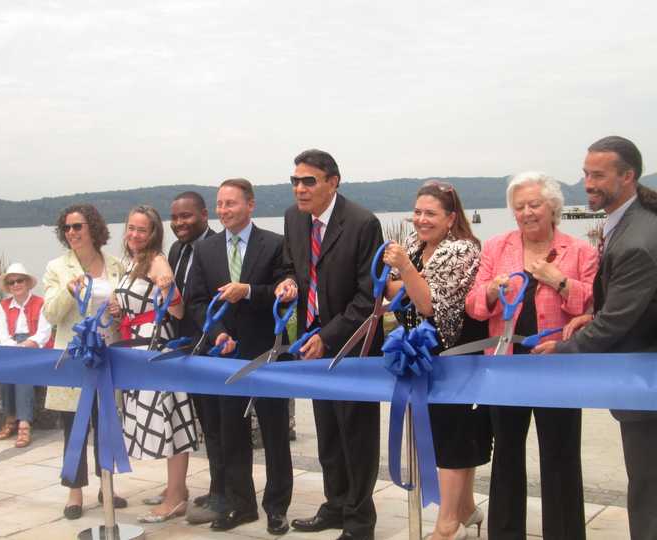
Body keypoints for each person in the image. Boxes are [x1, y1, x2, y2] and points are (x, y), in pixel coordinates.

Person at [534, 136, 657, 540]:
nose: (588, 182)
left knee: (649, 492)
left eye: (598, 175)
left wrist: (563, 350)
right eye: (586, 173)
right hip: (641, 376)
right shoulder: (629, 220)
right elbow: (627, 303)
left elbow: (618, 323)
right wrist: (593, 313)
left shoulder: (639, 238)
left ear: (628, 176)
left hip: (646, 383)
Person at [465, 171, 597, 540]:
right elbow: (475, 306)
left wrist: (560, 281)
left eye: (534, 204)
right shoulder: (495, 247)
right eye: (519, 206)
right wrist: (492, 290)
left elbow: (594, 305)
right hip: (506, 367)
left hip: (558, 367)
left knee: (561, 456)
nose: (526, 212)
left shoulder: (581, 250)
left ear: (553, 207)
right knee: (506, 455)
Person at [275, 149, 384, 540]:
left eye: (309, 181)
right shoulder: (293, 218)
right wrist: (287, 283)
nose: (300, 189)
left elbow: (368, 296)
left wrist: (329, 336)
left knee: (357, 437)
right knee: (328, 435)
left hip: (351, 346)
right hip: (310, 344)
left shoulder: (362, 223)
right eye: (295, 181)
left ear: (332, 182)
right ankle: (335, 505)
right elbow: (293, 266)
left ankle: (359, 522)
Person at [383, 181, 490, 540]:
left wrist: (409, 276)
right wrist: (413, 282)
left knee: (452, 436)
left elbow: (430, 305)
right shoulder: (414, 246)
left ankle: (448, 526)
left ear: (451, 218)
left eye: (430, 213)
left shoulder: (462, 251)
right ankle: (465, 509)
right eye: (417, 212)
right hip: (421, 354)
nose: (421, 220)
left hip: (456, 355)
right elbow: (392, 292)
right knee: (440, 431)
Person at [187, 178, 293, 535]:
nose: (223, 211)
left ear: (250, 205)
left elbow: (286, 294)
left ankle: (277, 508)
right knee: (231, 433)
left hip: (266, 354)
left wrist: (247, 291)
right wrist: (216, 333)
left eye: (231, 204)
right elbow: (196, 301)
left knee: (276, 434)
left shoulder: (276, 245)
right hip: (225, 355)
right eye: (219, 204)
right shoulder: (206, 250)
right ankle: (241, 505)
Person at [42, 204, 126, 520]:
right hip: (75, 358)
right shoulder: (56, 267)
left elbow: (126, 306)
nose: (72, 233)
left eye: (78, 226)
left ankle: (108, 485)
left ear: (93, 227)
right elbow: (50, 313)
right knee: (73, 426)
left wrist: (121, 311)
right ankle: (74, 490)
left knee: (107, 424)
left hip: (109, 356)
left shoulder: (116, 264)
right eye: (67, 228)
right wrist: (67, 290)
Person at [116, 205, 198, 523]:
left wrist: (167, 286)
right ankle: (174, 489)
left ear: (153, 234)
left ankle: (176, 497)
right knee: (160, 417)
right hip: (136, 349)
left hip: (156, 348)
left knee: (169, 418)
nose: (134, 234)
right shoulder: (132, 262)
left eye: (141, 229)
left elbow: (177, 310)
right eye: (131, 228)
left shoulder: (156, 260)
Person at [165, 191, 225, 524]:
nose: (179, 223)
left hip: (214, 348)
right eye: (174, 218)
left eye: (186, 216)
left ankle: (223, 490)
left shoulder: (216, 247)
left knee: (220, 424)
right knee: (206, 423)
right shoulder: (176, 250)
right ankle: (218, 486)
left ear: (204, 214)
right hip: (185, 348)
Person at [0, 263, 53, 448]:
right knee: (4, 372)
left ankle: (23, 423)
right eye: (11, 282)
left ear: (27, 282)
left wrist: (25, 346)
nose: (15, 285)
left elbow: (44, 333)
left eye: (19, 280)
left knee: (22, 372)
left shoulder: (41, 303)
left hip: (36, 348)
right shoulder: (3, 306)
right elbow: (4, 336)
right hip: (13, 347)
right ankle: (11, 416)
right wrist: (16, 348)